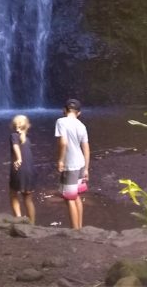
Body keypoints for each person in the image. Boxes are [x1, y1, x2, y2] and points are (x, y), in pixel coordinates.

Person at [55, 98, 89, 229]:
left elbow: (63, 142)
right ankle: (80, 227)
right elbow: (86, 148)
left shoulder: (61, 121)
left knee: (69, 198)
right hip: (80, 163)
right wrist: (86, 168)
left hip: (70, 165)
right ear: (79, 113)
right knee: (76, 196)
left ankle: (75, 231)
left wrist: (60, 160)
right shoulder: (81, 125)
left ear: (64, 110)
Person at [8, 114, 36, 224]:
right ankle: (32, 223)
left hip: (19, 169)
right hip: (30, 171)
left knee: (13, 194)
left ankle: (18, 220)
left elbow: (15, 146)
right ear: (27, 126)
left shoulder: (14, 135)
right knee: (28, 199)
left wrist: (18, 159)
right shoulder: (27, 140)